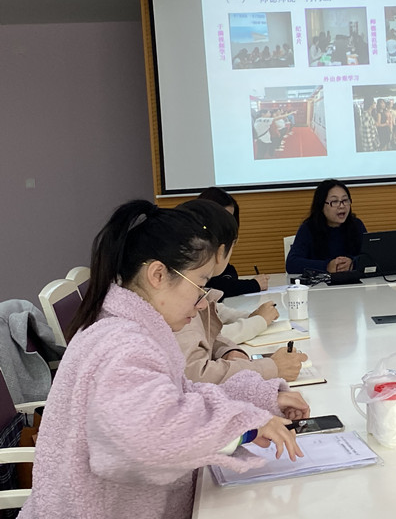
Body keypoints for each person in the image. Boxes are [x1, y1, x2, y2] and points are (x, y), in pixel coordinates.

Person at [19, 200, 309, 518]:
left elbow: (178, 396)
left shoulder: (135, 329)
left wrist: (257, 397)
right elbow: (151, 438)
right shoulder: (123, 345)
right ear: (158, 274)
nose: (202, 302)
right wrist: (244, 425)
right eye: (200, 286)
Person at [175, 199, 307, 383]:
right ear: (220, 251)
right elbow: (196, 374)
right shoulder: (180, 297)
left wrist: (227, 350)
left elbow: (209, 333)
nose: (202, 302)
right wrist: (271, 368)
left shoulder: (188, 287)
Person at [197, 187, 270, 298]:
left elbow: (229, 274)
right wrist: (253, 284)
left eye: (230, 218)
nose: (228, 224)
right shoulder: (197, 242)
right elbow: (213, 288)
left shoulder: (220, 240)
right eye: (223, 218)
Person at [286, 179, 367, 274]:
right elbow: (292, 264)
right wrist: (327, 266)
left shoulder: (356, 225)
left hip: (353, 282)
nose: (342, 206)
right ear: (321, 205)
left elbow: (372, 257)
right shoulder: (308, 228)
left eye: (345, 200)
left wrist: (353, 263)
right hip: (320, 282)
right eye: (334, 201)